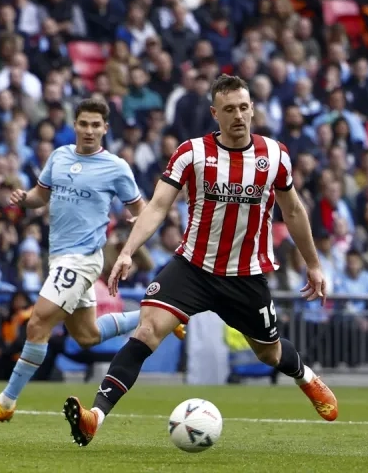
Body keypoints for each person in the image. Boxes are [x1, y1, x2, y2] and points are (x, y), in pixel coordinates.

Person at [62, 75, 337, 447]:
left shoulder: (274, 155)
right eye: (229, 109)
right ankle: (96, 416)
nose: (238, 115)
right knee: (146, 330)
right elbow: (158, 205)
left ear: (252, 108)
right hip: (192, 268)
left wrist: (313, 264)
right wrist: (127, 250)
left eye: (243, 107)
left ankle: (305, 375)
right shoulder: (192, 153)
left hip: (245, 275)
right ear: (214, 114)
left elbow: (294, 210)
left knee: (269, 353)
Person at [0, 98, 166, 423]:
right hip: (58, 256)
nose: (89, 130)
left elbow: (144, 211)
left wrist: (129, 248)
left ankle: (6, 402)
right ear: (75, 126)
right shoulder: (59, 157)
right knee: (86, 335)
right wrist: (22, 200)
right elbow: (39, 197)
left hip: (82, 259)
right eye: (83, 124)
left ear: (105, 128)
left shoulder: (116, 167)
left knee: (37, 323)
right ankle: (157, 315)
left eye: (95, 125)